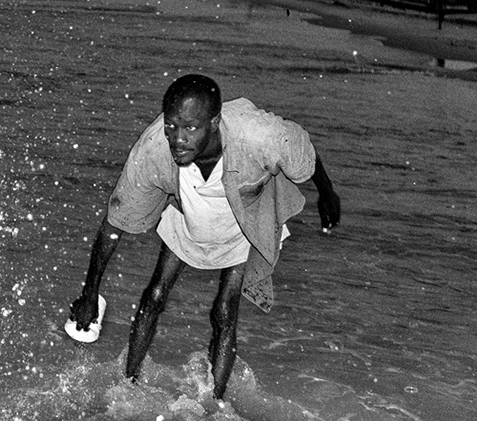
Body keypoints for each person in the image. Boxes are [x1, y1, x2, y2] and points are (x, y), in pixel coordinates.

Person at [67, 73, 341, 400]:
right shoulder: (155, 149)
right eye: (171, 126)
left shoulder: (259, 137)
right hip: (188, 210)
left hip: (243, 215)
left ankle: (214, 405)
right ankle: (128, 386)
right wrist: (89, 292)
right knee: (153, 296)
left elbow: (304, 153)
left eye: (191, 128)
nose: (178, 139)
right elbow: (115, 223)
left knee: (224, 309)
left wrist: (328, 194)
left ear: (214, 123)